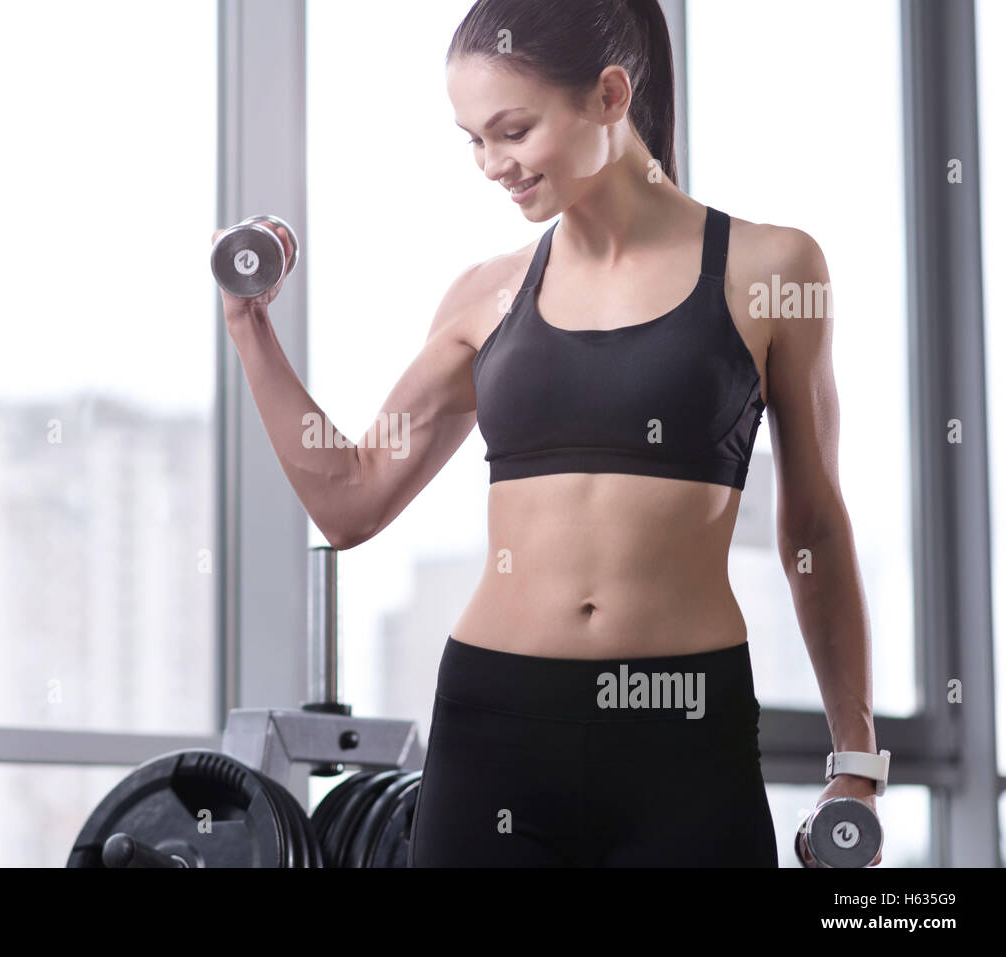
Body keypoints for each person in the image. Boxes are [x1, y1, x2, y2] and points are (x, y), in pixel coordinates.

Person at [213, 0, 884, 867]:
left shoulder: (773, 269)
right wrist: (248, 330)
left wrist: (857, 761)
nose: (492, 164)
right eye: (472, 140)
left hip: (682, 731)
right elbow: (350, 500)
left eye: (512, 130)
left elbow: (815, 531)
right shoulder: (484, 296)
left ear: (610, 95)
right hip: (495, 731)